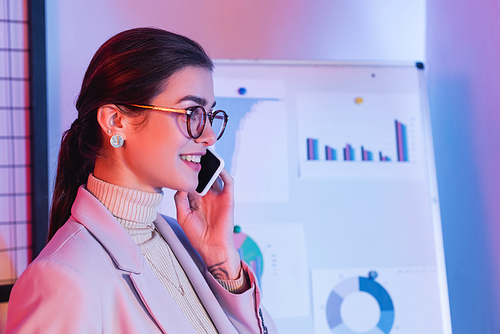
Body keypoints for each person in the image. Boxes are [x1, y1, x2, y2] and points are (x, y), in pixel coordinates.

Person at [6, 27, 276, 334]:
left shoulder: (187, 243)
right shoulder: (62, 279)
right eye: (191, 113)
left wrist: (222, 262)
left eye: (210, 115)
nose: (209, 135)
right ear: (115, 121)